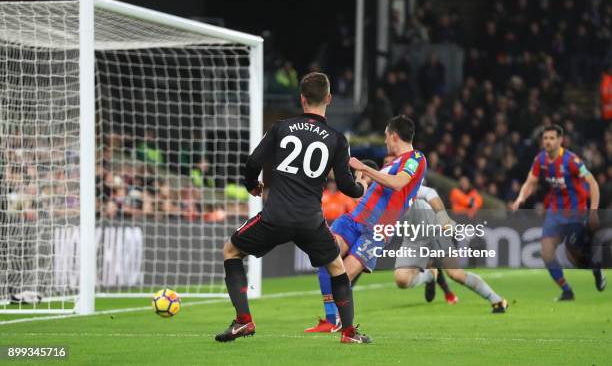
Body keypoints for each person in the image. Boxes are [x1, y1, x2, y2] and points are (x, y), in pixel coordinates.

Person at [215, 72, 371, 344]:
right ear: (329, 98)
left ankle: (244, 321)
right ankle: (349, 333)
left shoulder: (281, 127)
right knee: (337, 268)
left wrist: (252, 184)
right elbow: (347, 187)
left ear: (301, 99)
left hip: (276, 215)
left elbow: (253, 162)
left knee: (231, 251)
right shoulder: (336, 139)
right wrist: (362, 186)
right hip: (311, 220)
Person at [305, 116, 427, 332]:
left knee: (343, 275)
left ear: (393, 135)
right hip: (354, 220)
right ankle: (331, 320)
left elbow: (399, 184)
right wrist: (361, 180)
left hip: (377, 230)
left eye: (386, 136)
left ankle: (343, 324)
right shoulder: (392, 163)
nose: (385, 141)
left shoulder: (415, 158)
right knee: (326, 257)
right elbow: (379, 190)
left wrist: (364, 168)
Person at [511, 125, 604, 301]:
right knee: (546, 252)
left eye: (552, 138)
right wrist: (520, 198)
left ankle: (595, 268)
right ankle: (567, 291)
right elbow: (530, 182)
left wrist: (593, 212)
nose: (548, 141)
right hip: (555, 211)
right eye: (545, 138)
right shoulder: (540, 160)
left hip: (576, 212)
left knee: (574, 254)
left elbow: (593, 184)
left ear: (560, 140)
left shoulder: (572, 161)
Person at [393, 185, 508, 313]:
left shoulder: (398, 184)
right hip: (413, 237)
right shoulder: (374, 197)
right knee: (402, 280)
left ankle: (496, 299)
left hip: (433, 228)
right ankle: (429, 276)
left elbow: (429, 193)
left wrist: (444, 220)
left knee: (455, 274)